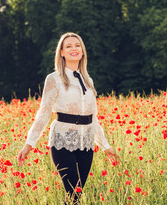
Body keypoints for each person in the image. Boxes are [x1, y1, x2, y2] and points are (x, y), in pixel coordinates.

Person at [17, 32, 118, 204]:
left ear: (82, 51)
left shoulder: (88, 81)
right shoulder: (54, 79)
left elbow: (93, 118)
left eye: (77, 45)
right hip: (62, 139)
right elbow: (44, 112)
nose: (74, 49)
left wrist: (106, 146)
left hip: (86, 142)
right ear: (61, 52)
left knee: (76, 196)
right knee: (72, 193)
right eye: (69, 46)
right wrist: (29, 144)